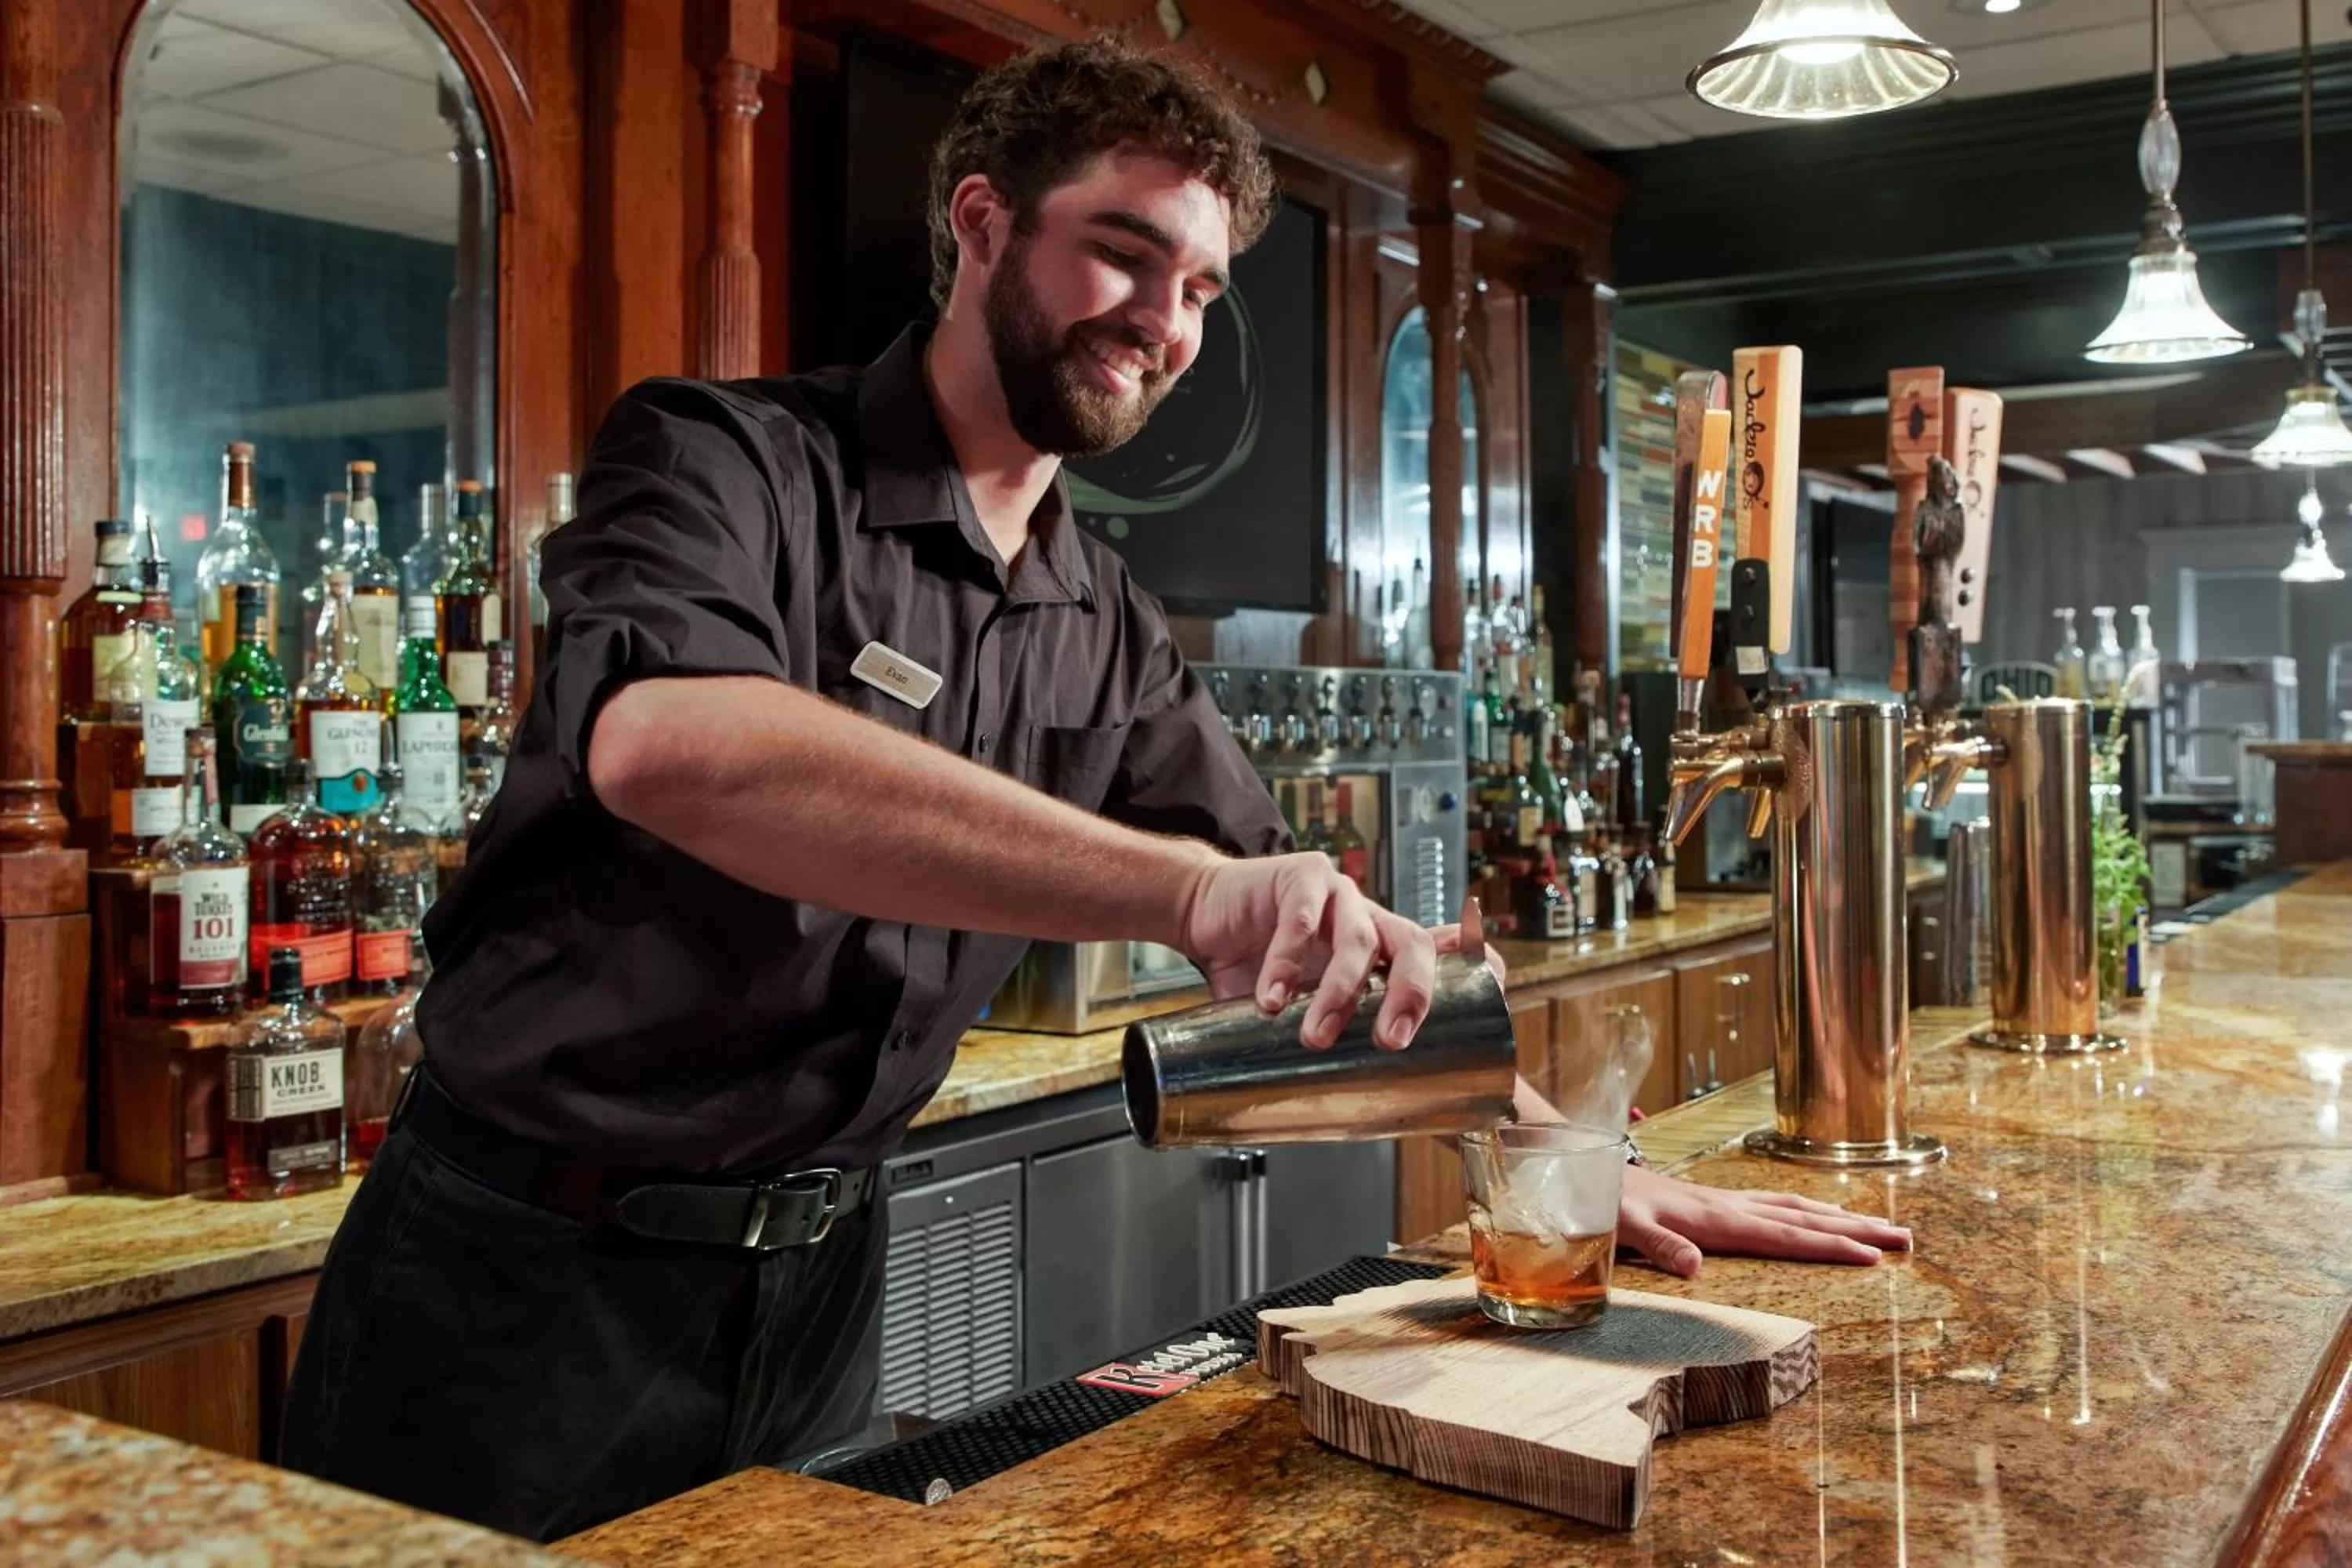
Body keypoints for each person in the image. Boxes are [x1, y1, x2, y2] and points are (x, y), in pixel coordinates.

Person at [278, 38, 1907, 1542]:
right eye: (1126, 251)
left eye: (1202, 287)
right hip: (515, 1284)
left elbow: (1330, 951)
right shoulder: (727, 463)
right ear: (981, 222)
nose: (1168, 320)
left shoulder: (1100, 624)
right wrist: (1189, 892)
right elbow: (675, 747)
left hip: (820, 1289)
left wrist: (1577, 1164)